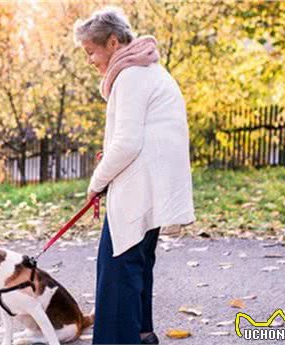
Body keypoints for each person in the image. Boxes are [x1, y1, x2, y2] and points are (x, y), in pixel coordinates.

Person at [73, 7, 195, 345]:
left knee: (116, 273)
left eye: (91, 52)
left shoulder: (130, 76)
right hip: (152, 190)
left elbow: (127, 143)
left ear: (113, 42)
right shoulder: (151, 71)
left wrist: (96, 182)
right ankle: (143, 334)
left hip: (138, 190)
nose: (90, 60)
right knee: (136, 265)